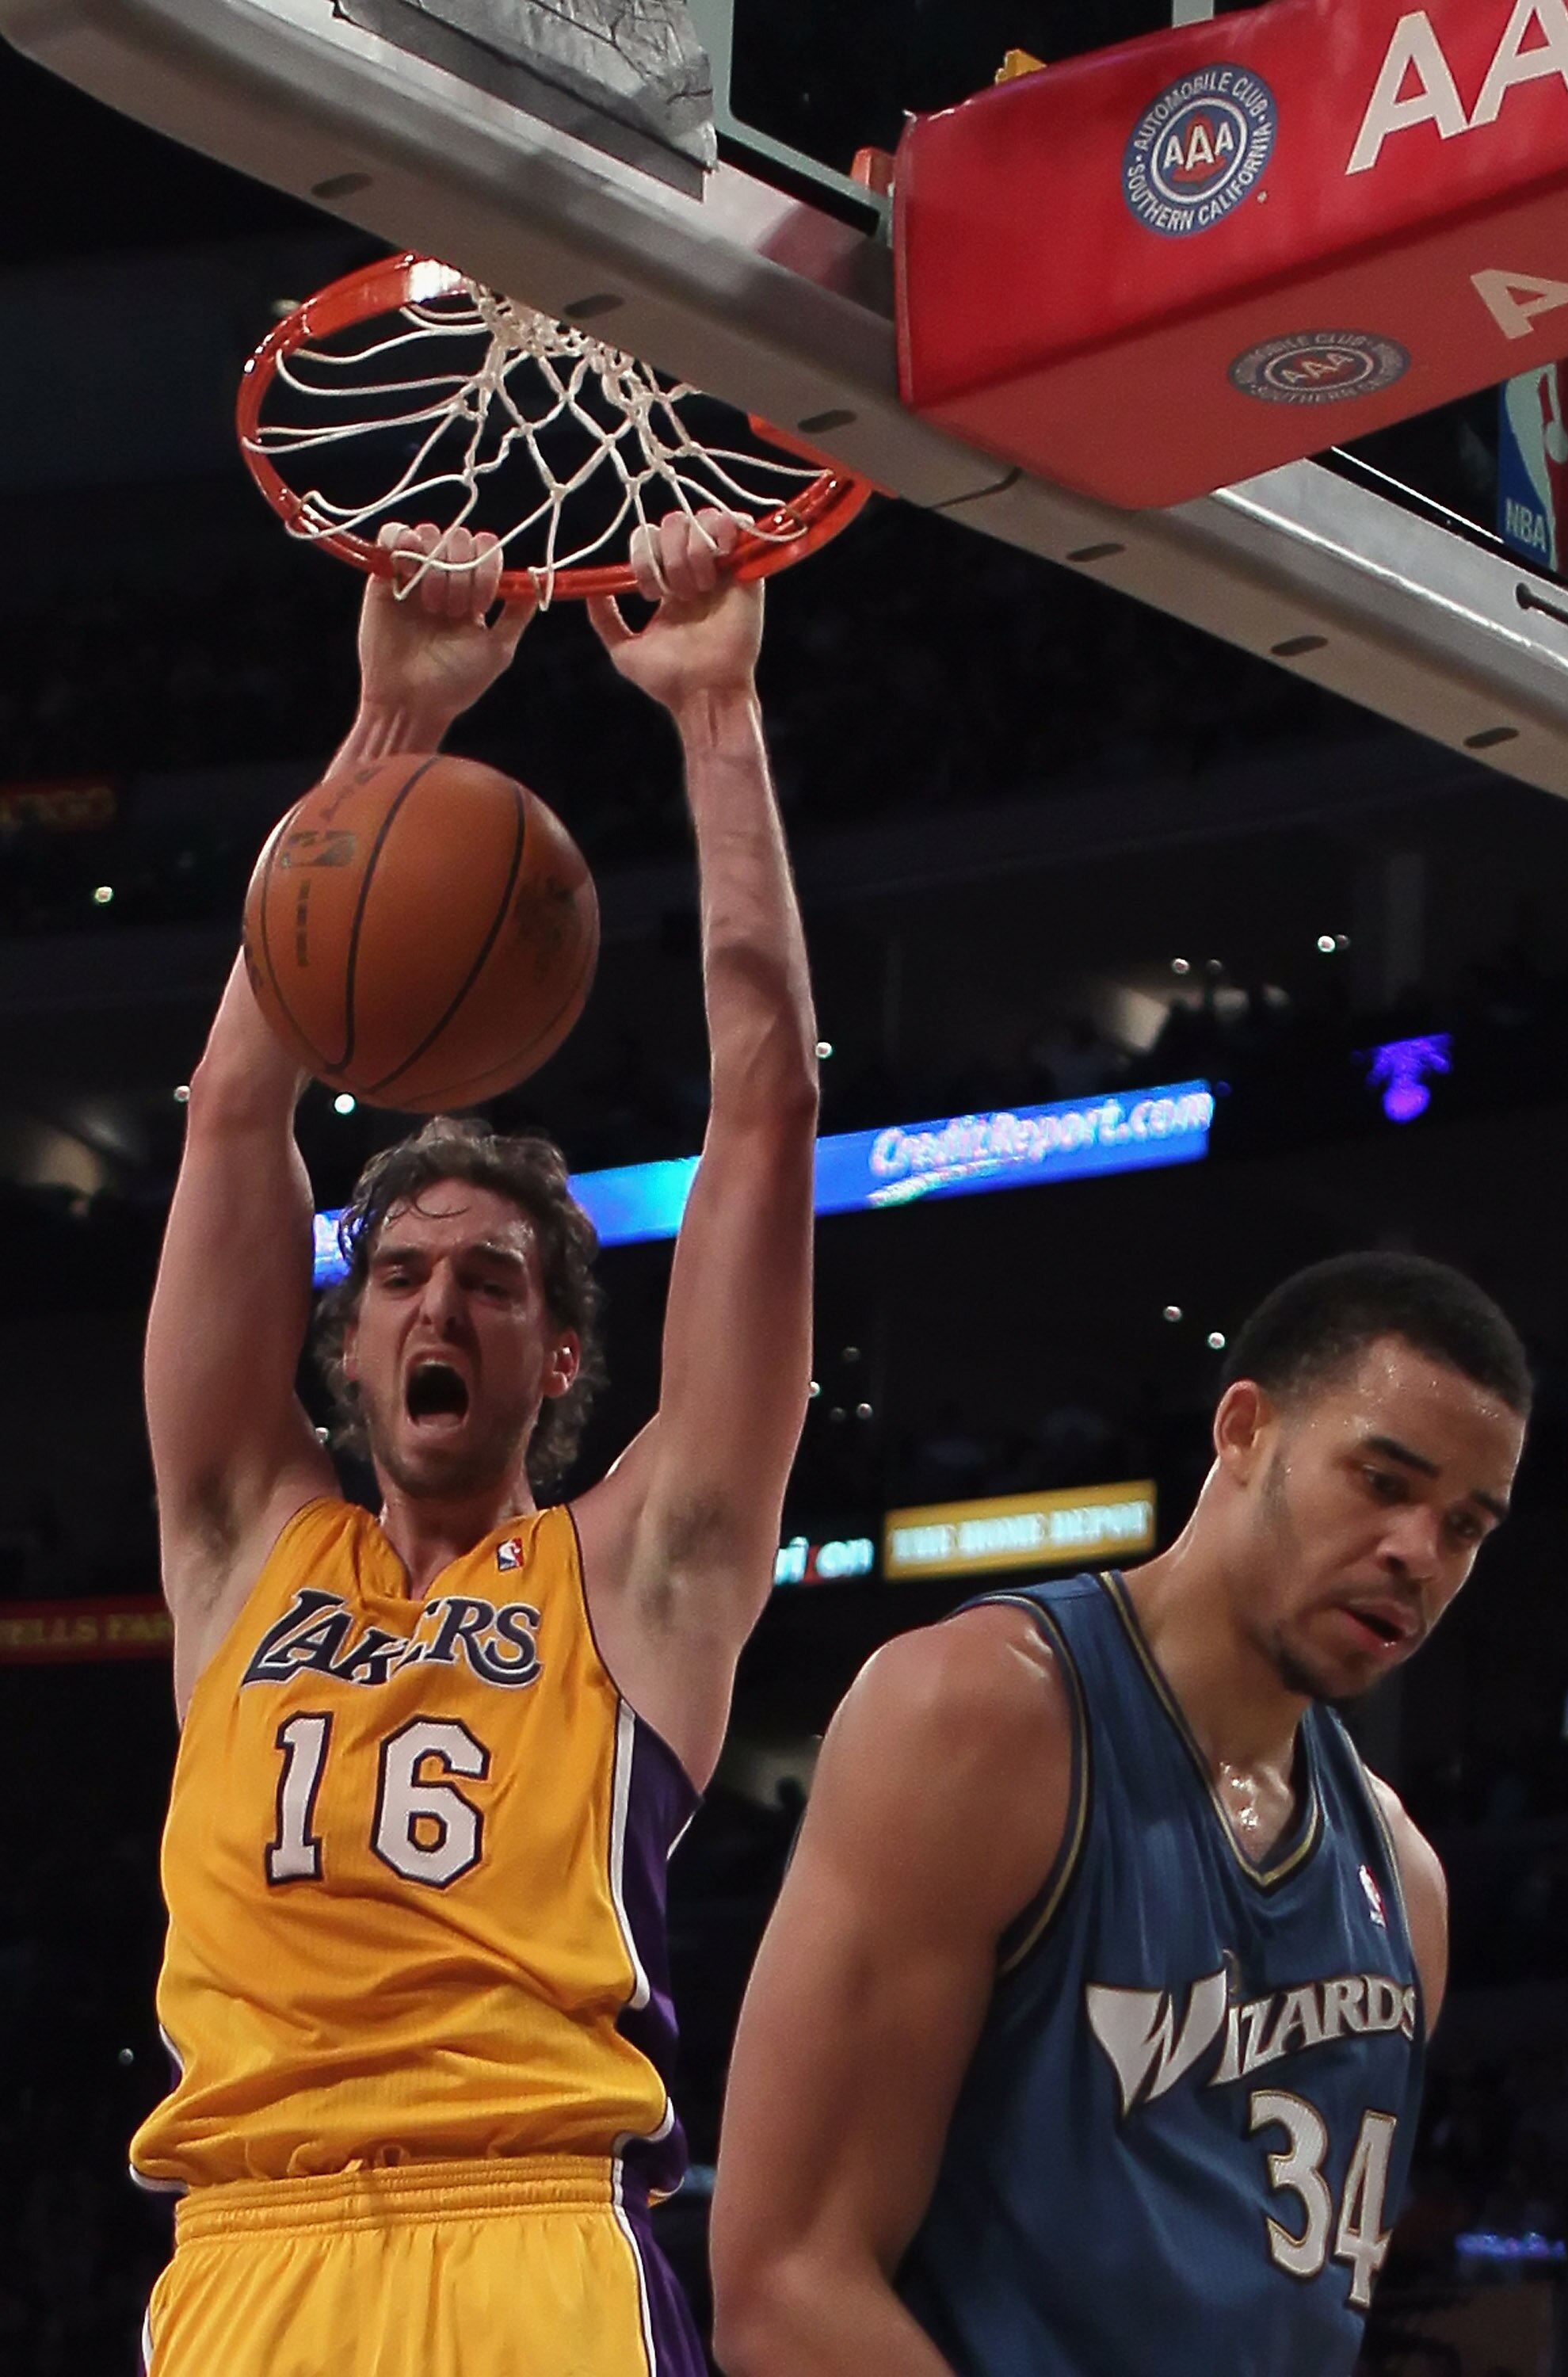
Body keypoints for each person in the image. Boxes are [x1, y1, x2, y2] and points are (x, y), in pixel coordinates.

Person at [132, 509, 819, 2377]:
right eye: (402, 1275)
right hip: (246, 2257)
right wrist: (391, 733)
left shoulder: (642, 1568)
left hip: (538, 2238)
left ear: (560, 1354)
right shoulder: (239, 1540)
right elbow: (230, 1126)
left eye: (493, 1283)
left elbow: (765, 1118)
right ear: (344, 1345)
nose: (440, 1302)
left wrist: (716, 716)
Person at [711, 1252, 1530, 2377]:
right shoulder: (982, 1718)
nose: (1417, 1554)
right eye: (1383, 1482)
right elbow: (784, 2289)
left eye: (1466, 1527)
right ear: (1244, 1431)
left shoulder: (1404, 1883)